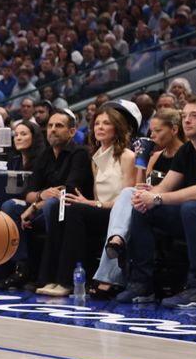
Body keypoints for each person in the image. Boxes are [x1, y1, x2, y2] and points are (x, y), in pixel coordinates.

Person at [117, 97, 196, 308]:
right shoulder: (186, 150)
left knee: (193, 207)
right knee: (143, 209)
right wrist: (146, 197)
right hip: (194, 215)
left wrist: (157, 198)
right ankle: (142, 284)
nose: (187, 121)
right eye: (184, 116)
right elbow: (164, 188)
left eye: (194, 116)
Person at [35, 107, 136, 296]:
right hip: (99, 211)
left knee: (75, 210)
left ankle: (68, 282)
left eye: (106, 123)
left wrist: (92, 204)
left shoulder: (127, 156)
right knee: (61, 207)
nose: (100, 127)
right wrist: (91, 204)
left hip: (117, 216)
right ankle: (48, 278)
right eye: (97, 123)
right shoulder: (95, 158)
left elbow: (126, 199)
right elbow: (97, 197)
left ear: (118, 128)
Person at [89, 109, 184, 299]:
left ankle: (116, 246)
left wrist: (151, 195)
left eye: (158, 131)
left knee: (127, 193)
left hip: (172, 205)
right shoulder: (156, 156)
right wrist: (142, 160)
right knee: (131, 195)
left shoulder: (185, 152)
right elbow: (141, 185)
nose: (152, 135)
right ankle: (117, 243)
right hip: (149, 204)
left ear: (174, 130)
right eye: (151, 131)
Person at [0, 111, 94, 290]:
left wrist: (36, 204)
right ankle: (22, 267)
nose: (52, 130)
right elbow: (28, 193)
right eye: (50, 126)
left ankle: (49, 272)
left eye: (59, 126)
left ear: (72, 132)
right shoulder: (46, 154)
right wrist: (40, 196)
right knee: (9, 206)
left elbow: (69, 190)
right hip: (42, 208)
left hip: (68, 209)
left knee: (52, 205)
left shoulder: (80, 153)